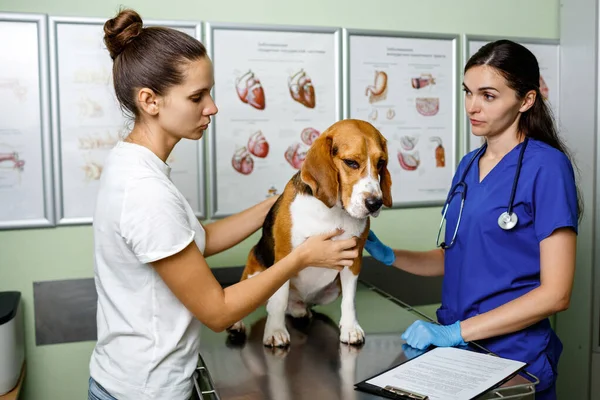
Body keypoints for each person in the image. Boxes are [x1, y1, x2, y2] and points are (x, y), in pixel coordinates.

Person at [88, 8, 359, 400]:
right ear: (150, 100)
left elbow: (203, 239)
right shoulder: (145, 192)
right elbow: (218, 312)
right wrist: (300, 257)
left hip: (130, 379)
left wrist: (284, 200)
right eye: (197, 96)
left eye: (210, 92)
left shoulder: (133, 165)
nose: (212, 107)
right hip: (142, 391)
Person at [364, 39, 581, 400]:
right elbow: (454, 258)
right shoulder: (467, 166)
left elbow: (556, 294)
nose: (472, 106)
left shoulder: (547, 167)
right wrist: (387, 254)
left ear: (526, 100)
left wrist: (456, 332)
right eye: (468, 92)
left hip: (514, 362)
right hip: (458, 356)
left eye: (488, 95)